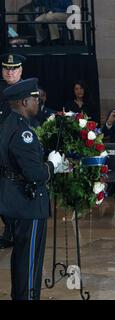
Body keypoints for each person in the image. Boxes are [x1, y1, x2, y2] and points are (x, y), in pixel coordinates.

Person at [0, 78, 63, 300]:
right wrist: (52, 165)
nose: (39, 103)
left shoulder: (10, 123)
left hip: (15, 200)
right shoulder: (24, 132)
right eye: (36, 99)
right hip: (28, 203)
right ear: (25, 102)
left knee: (21, 255)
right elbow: (35, 174)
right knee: (29, 258)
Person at [0, 54, 26, 250]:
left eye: (14, 68)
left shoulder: (28, 91)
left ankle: (18, 230)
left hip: (19, 149)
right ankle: (9, 230)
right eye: (7, 68)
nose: (10, 72)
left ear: (20, 71)